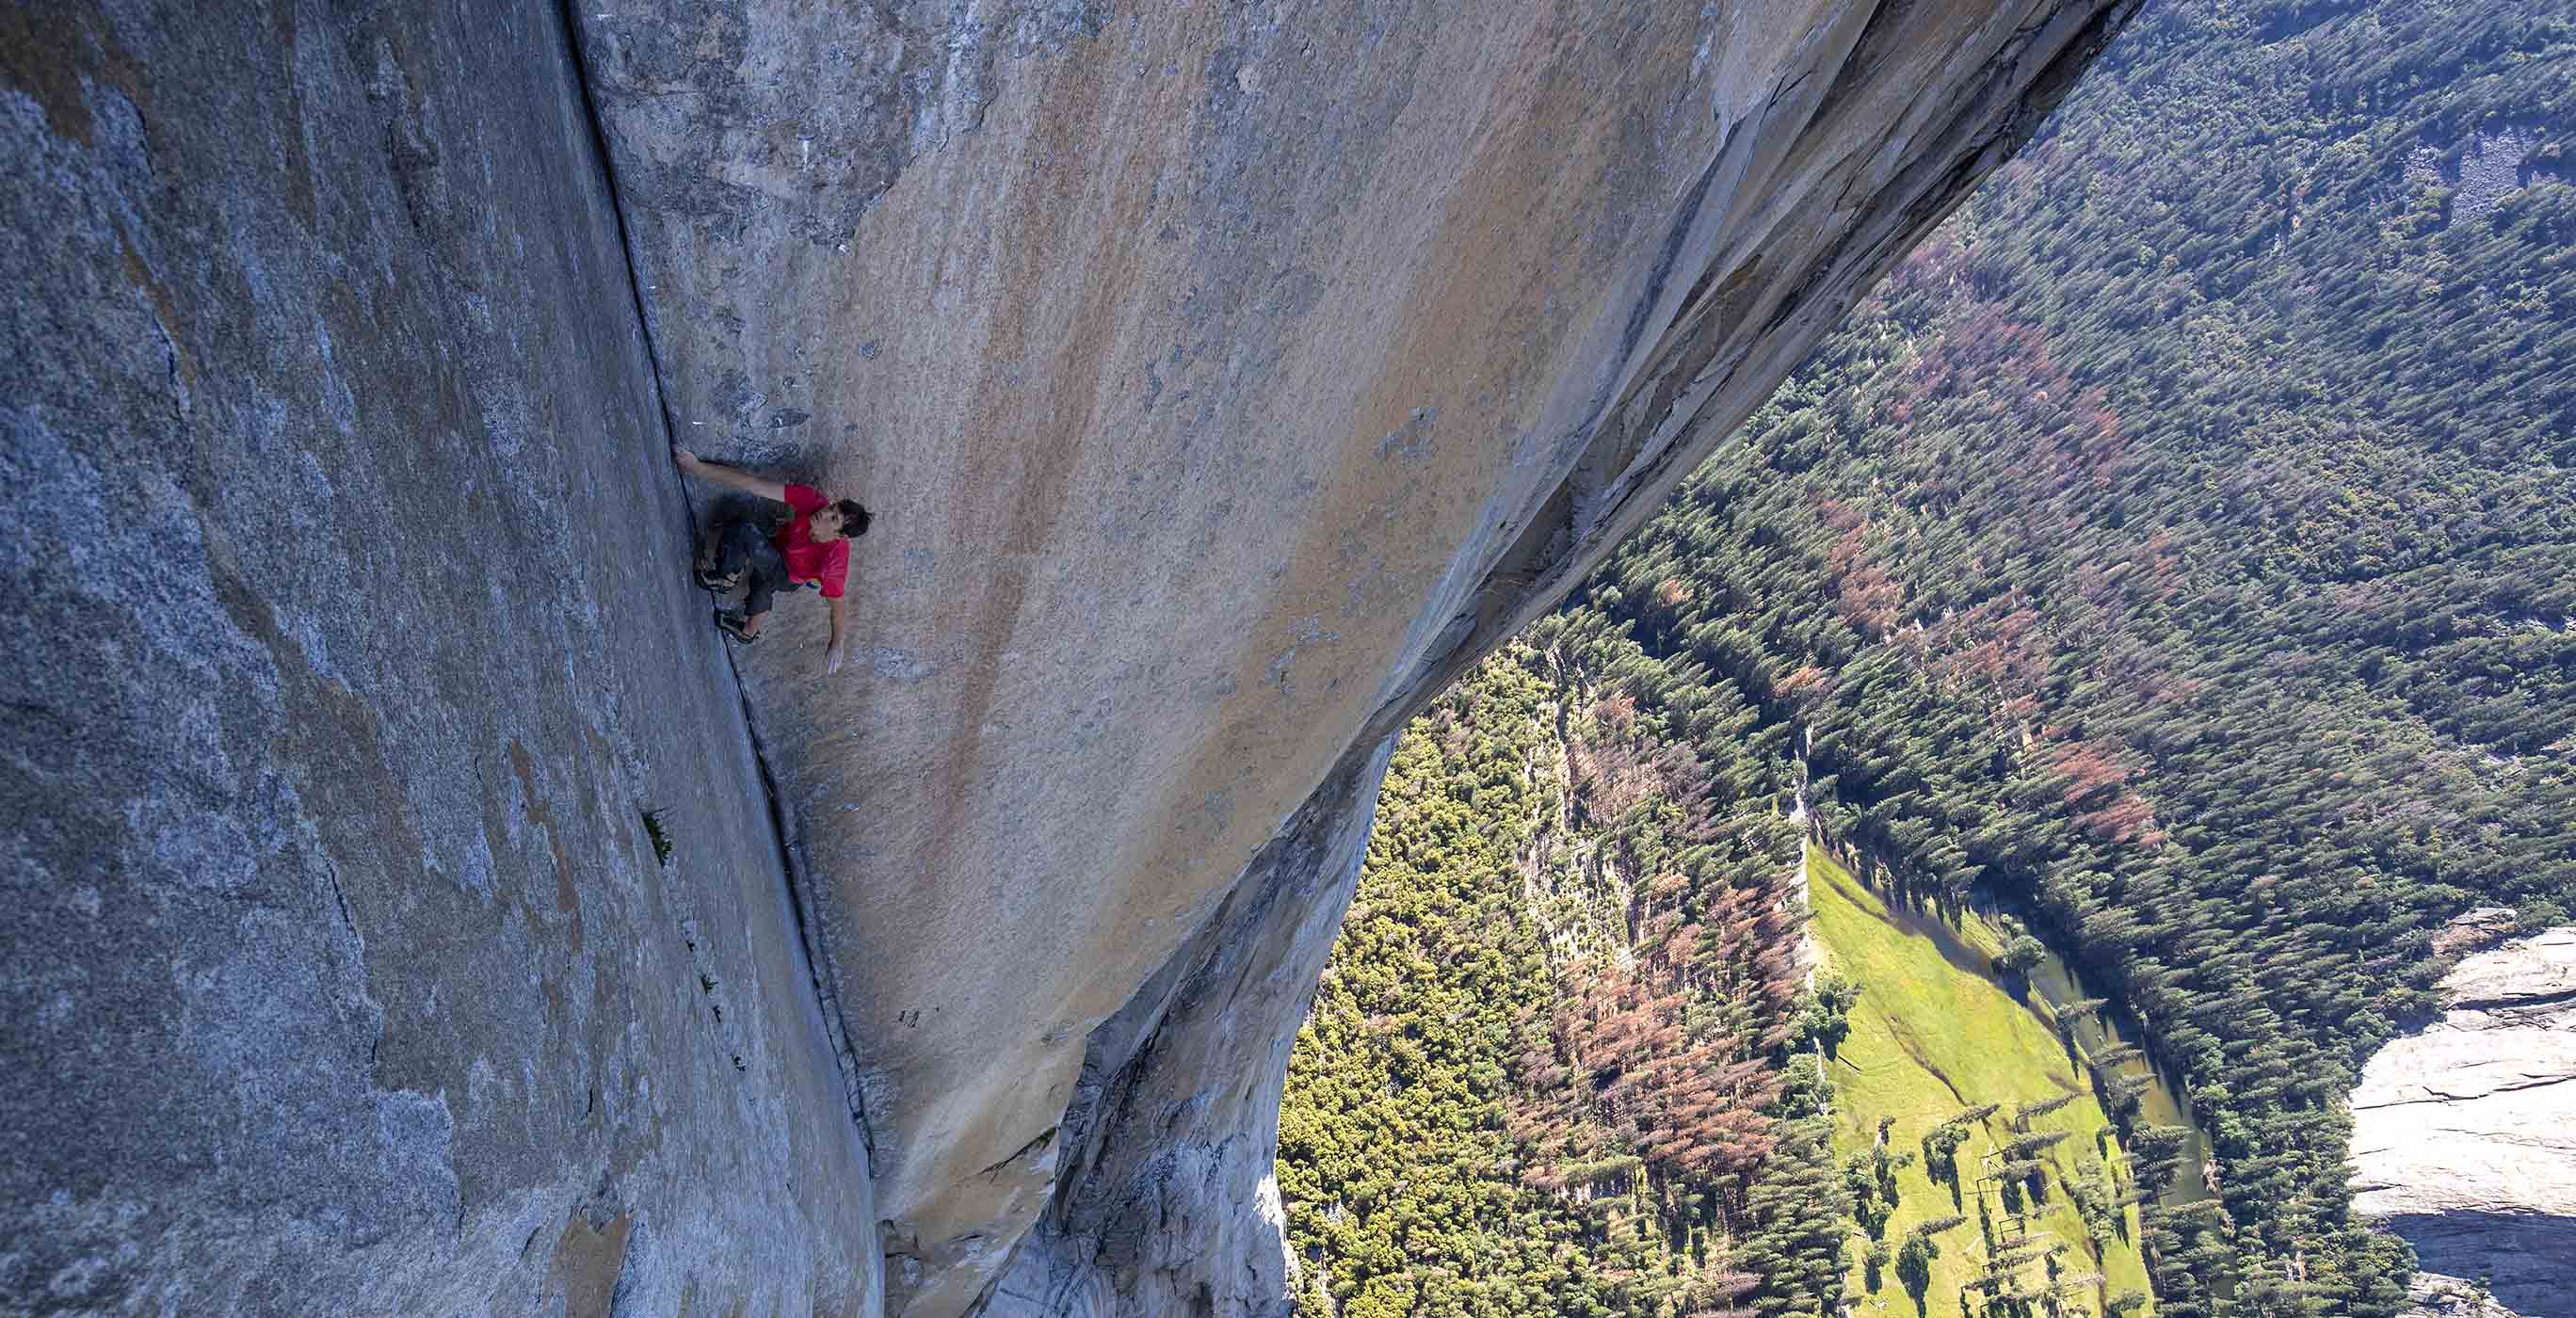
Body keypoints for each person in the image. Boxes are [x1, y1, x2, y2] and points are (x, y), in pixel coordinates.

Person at [672, 444, 869, 674]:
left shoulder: (835, 562)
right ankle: (748, 632)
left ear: (839, 535)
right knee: (761, 579)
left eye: (833, 518)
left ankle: (725, 578)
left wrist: (837, 643)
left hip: (788, 575)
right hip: (779, 548)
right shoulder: (812, 501)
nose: (824, 512)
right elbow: (755, 485)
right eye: (832, 507)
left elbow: (838, 607)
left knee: (746, 533)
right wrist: (697, 467)